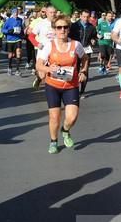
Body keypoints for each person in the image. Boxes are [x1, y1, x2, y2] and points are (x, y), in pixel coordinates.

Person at [36, 15, 89, 154]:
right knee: (55, 117)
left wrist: (83, 71)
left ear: (68, 29)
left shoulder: (76, 45)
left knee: (72, 117)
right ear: (54, 29)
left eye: (65, 27)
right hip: (53, 85)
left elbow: (84, 58)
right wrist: (49, 69)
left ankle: (65, 130)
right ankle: (53, 141)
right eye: (59, 27)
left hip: (70, 85)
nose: (62, 30)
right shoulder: (49, 45)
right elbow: (39, 65)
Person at [69, 9, 98, 97]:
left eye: (87, 17)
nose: (85, 19)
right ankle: (75, 89)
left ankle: (82, 91)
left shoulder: (91, 27)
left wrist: (93, 40)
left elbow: (94, 37)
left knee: (85, 70)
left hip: (86, 50)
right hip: (75, 49)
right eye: (84, 17)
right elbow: (69, 37)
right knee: (75, 69)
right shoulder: (74, 26)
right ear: (80, 16)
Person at [29, 5, 57, 89]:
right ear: (47, 13)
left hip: (55, 51)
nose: (53, 14)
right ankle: (39, 78)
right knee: (42, 74)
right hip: (43, 50)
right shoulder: (40, 23)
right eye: (51, 12)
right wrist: (37, 44)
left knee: (54, 71)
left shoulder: (58, 23)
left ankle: (52, 89)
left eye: (54, 12)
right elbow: (31, 36)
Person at [2, 9, 24, 76]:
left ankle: (17, 70)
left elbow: (21, 28)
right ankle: (9, 67)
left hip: (18, 39)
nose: (16, 14)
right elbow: (2, 29)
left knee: (18, 53)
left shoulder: (20, 20)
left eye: (17, 12)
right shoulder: (8, 20)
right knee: (10, 55)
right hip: (10, 39)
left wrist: (23, 35)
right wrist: (8, 31)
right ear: (12, 13)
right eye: (15, 13)